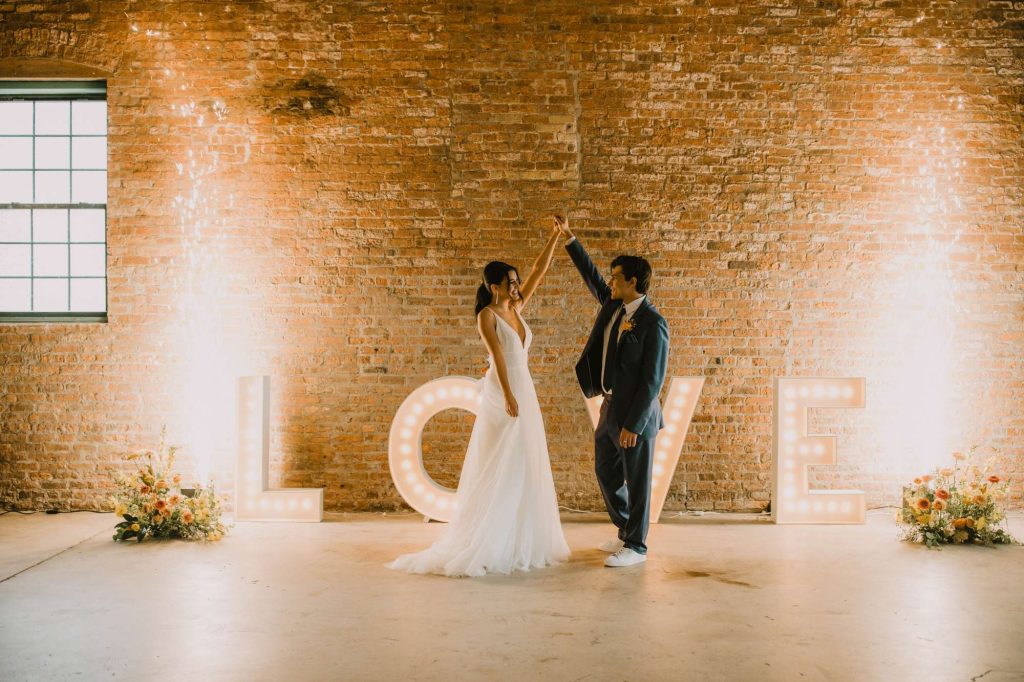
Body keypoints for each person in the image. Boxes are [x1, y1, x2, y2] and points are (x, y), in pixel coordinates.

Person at [388, 221, 570, 577]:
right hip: (503, 390)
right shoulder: (487, 316)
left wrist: (555, 235)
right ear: (493, 286)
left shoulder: (516, 308)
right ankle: (489, 538)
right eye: (510, 282)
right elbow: (498, 357)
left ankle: (518, 536)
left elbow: (539, 269)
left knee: (525, 458)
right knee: (501, 460)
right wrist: (509, 395)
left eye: (516, 281)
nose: (516, 287)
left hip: (524, 386)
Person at [556, 215, 669, 567]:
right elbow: (592, 276)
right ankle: (625, 529)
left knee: (637, 480)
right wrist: (570, 238)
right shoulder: (614, 305)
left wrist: (634, 424)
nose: (610, 281)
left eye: (616, 276)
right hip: (609, 406)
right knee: (605, 470)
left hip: (636, 413)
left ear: (632, 281)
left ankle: (636, 546)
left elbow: (653, 379)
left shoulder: (653, 323)